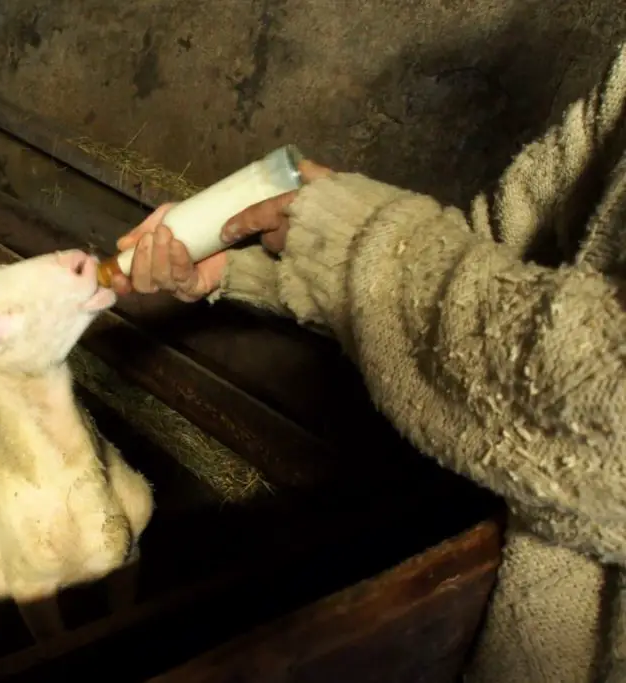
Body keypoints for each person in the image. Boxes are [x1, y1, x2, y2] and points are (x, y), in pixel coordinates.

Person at [110, 42, 626, 683]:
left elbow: (606, 404)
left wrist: (351, 237)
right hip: (541, 611)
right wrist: (240, 269)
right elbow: (490, 252)